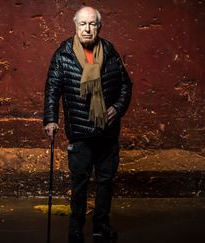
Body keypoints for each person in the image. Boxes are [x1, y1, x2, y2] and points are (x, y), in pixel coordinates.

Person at [43, 6, 132, 242]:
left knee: (105, 181)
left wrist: (117, 108)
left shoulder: (110, 51)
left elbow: (126, 85)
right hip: (80, 132)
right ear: (75, 26)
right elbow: (52, 89)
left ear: (99, 27)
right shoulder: (63, 54)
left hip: (107, 132)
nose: (87, 28)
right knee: (79, 184)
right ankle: (75, 229)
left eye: (92, 24)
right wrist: (51, 119)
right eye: (83, 24)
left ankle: (100, 226)